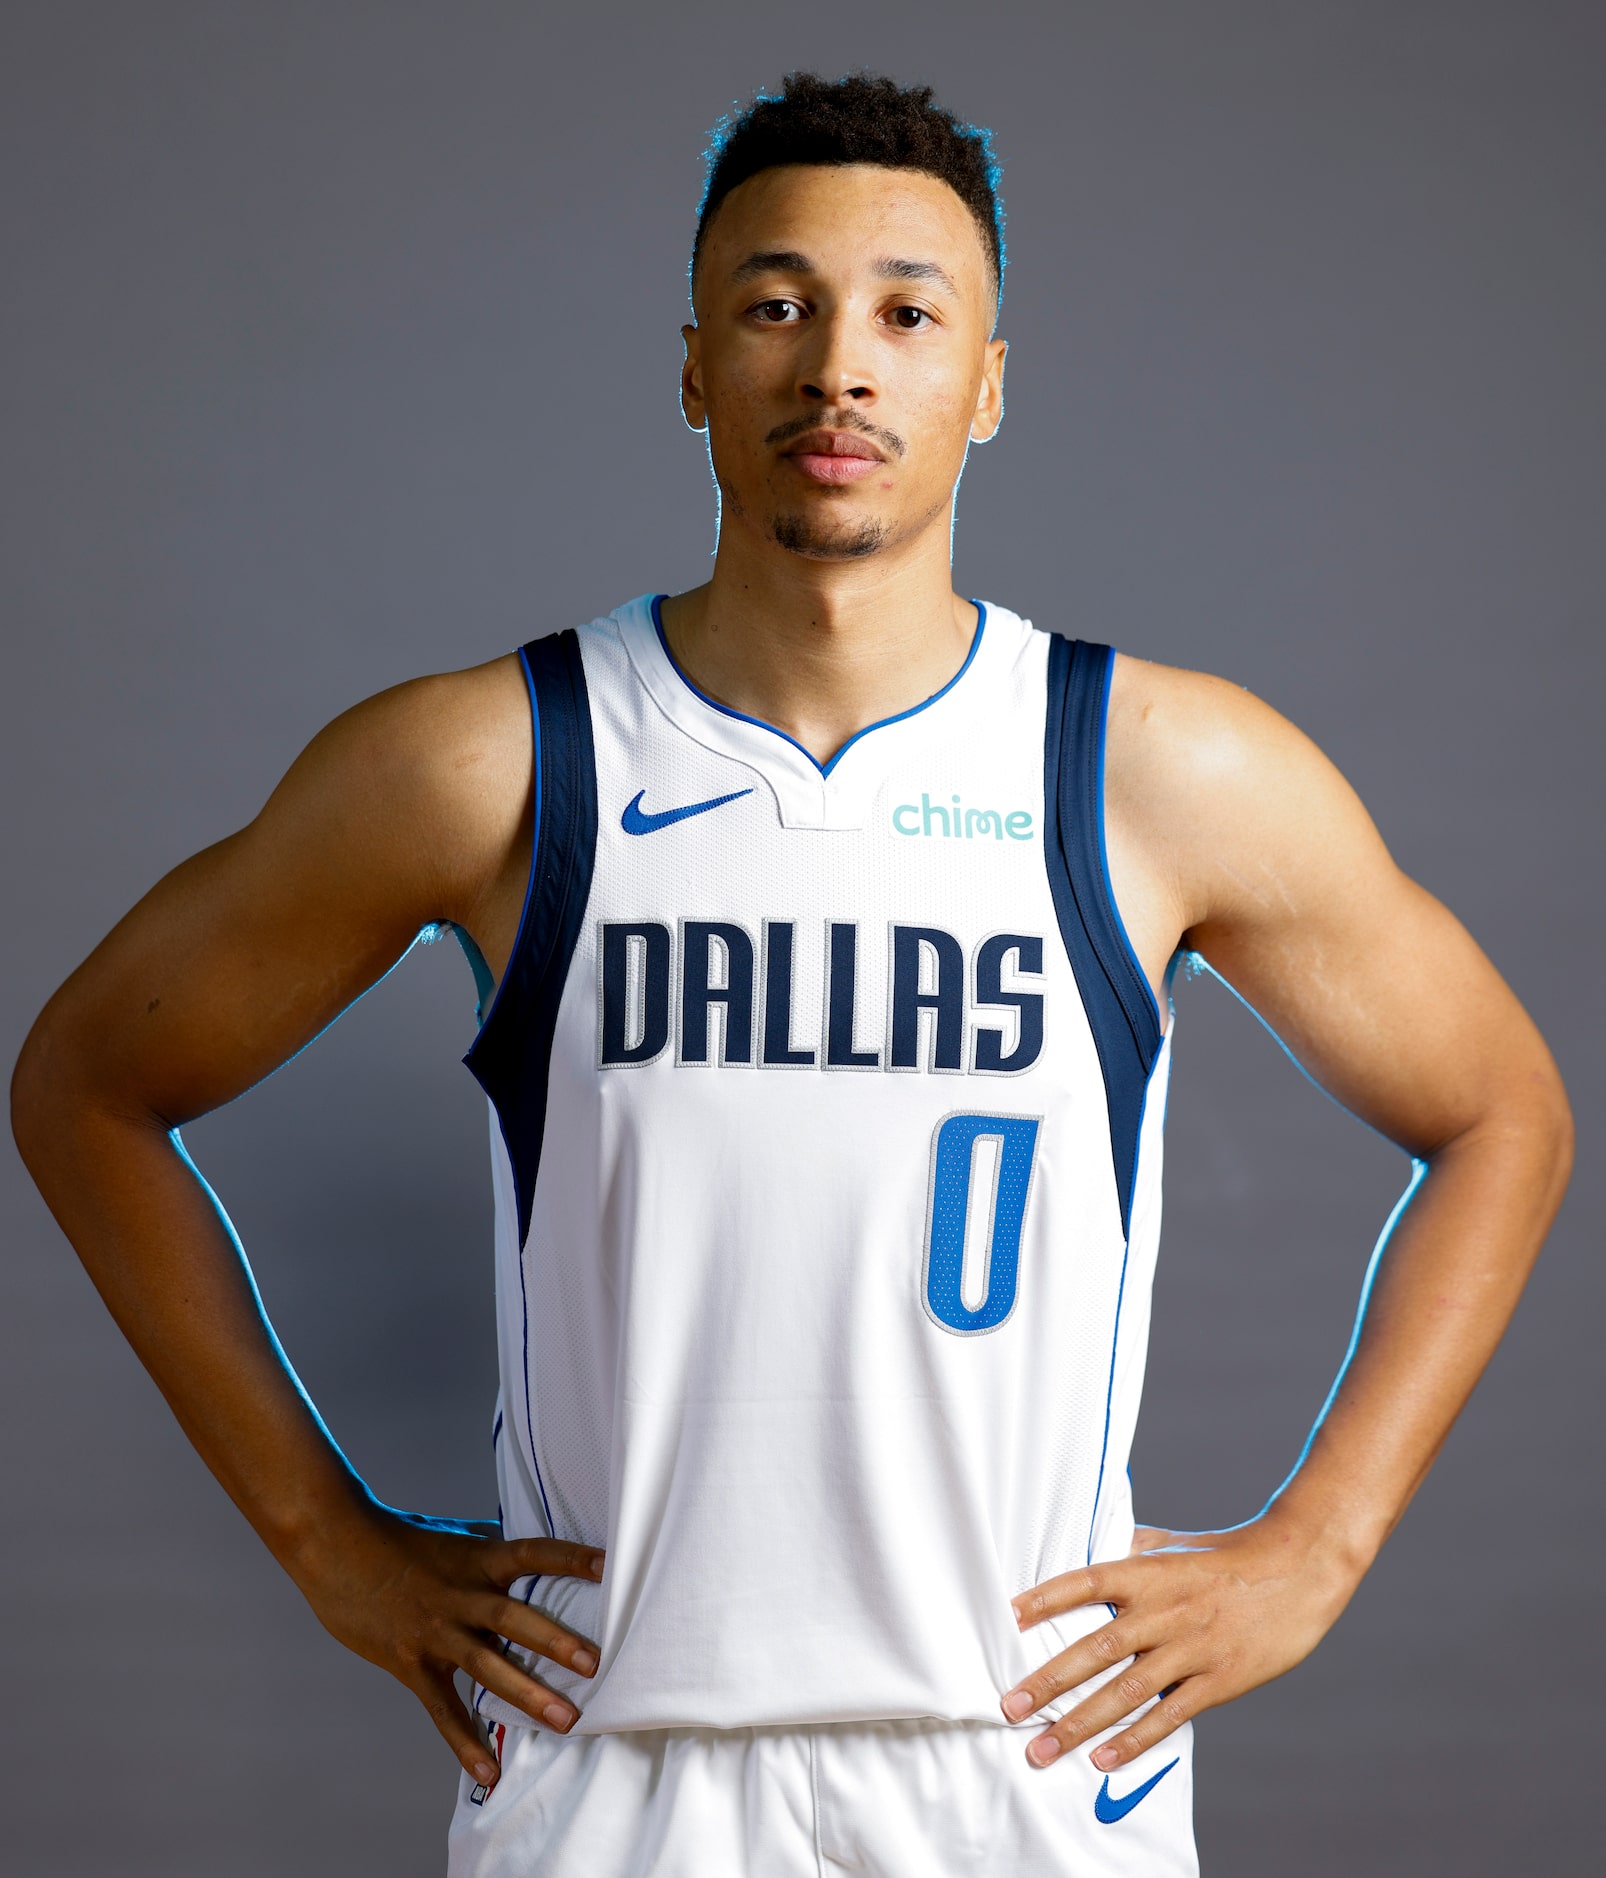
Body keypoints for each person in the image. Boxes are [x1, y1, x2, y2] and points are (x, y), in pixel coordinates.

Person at [10, 70, 1572, 1878]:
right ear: (691, 367)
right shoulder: (500, 763)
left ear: (985, 385)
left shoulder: (1148, 769)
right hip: (613, 1762)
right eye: (777, 305)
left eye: (908, 315)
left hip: (1023, 1759)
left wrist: (1325, 1540)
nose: (840, 364)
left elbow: (1498, 1110)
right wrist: (317, 1533)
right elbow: (85, 1081)